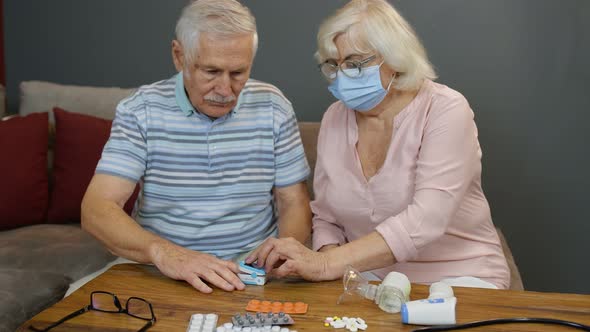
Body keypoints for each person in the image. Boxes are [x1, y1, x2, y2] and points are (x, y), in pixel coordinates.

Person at [247, 0, 510, 289]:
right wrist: (336, 270)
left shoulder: (446, 109)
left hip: (460, 277)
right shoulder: (335, 118)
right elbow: (327, 218)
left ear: (395, 59)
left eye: (355, 63)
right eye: (334, 65)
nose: (342, 75)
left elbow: (427, 219)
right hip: (370, 280)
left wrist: (326, 264)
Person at [81, 0, 311, 294]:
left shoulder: (274, 106)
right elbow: (97, 208)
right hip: (160, 270)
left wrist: (280, 254)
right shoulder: (141, 110)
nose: (225, 90)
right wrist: (165, 253)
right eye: (211, 72)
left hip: (252, 274)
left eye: (238, 73)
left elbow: (294, 202)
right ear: (179, 56)